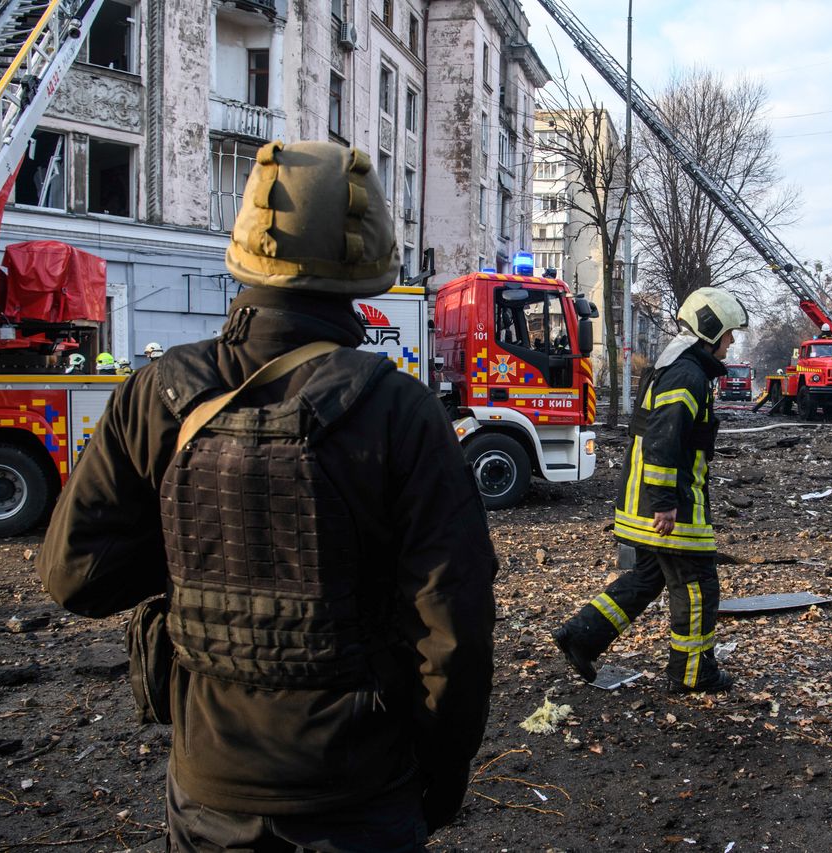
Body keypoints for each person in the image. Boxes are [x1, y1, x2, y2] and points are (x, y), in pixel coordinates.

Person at [36, 140, 498, 850]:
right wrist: (440, 775)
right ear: (364, 261)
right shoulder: (402, 413)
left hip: (207, 790)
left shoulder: (159, 394)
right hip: (361, 794)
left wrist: (197, 546)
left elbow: (74, 575)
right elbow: (454, 633)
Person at [552, 287, 747, 694]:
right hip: (668, 503)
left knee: (648, 576)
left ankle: (582, 636)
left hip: (647, 499)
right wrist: (665, 503)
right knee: (697, 585)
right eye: (729, 334)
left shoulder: (680, 367)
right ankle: (693, 673)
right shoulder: (687, 374)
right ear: (710, 331)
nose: (731, 342)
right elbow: (664, 439)